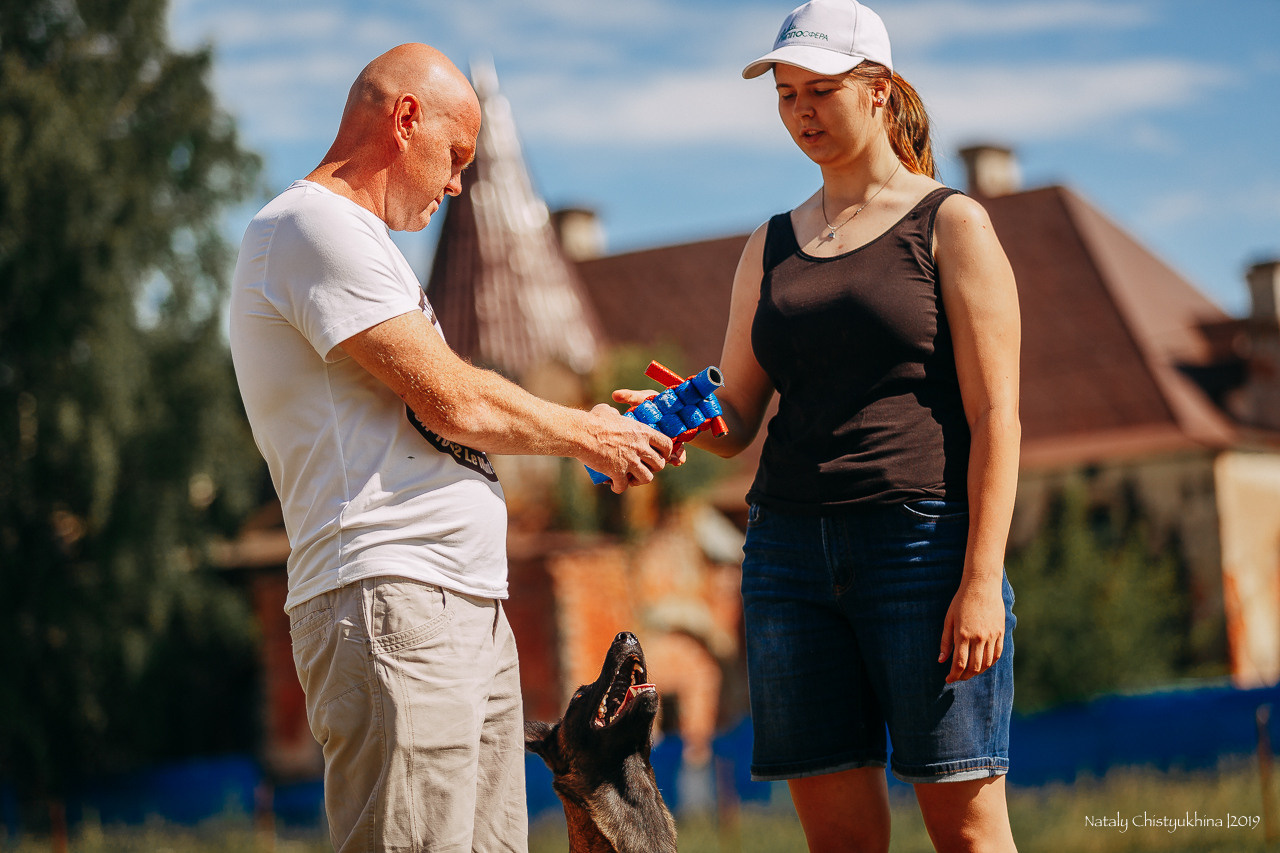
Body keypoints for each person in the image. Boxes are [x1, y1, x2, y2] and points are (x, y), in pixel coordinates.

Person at [228, 44, 676, 853]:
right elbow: (453, 396)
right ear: (405, 120)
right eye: (454, 155)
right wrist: (588, 433)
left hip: (455, 603)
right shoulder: (309, 226)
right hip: (389, 594)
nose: (457, 182)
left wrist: (596, 428)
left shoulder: (365, 250)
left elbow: (452, 401)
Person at [631, 1, 1021, 850]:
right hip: (787, 562)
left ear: (879, 92)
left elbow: (998, 415)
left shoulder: (951, 224)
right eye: (785, 95)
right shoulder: (769, 245)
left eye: (822, 90)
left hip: (921, 548)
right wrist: (675, 416)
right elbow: (735, 417)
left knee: (967, 831)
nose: (801, 112)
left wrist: (981, 576)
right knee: (838, 839)